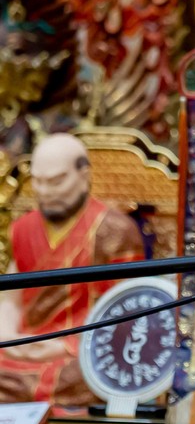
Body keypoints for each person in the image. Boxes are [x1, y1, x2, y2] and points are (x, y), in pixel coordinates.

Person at [0, 133, 145, 405]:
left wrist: (65, 346)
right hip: (22, 347)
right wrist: (8, 337)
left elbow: (127, 316)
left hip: (79, 352)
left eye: (56, 181)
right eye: (38, 181)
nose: (45, 192)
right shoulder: (22, 228)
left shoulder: (115, 231)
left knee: (90, 376)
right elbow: (11, 299)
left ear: (84, 175)